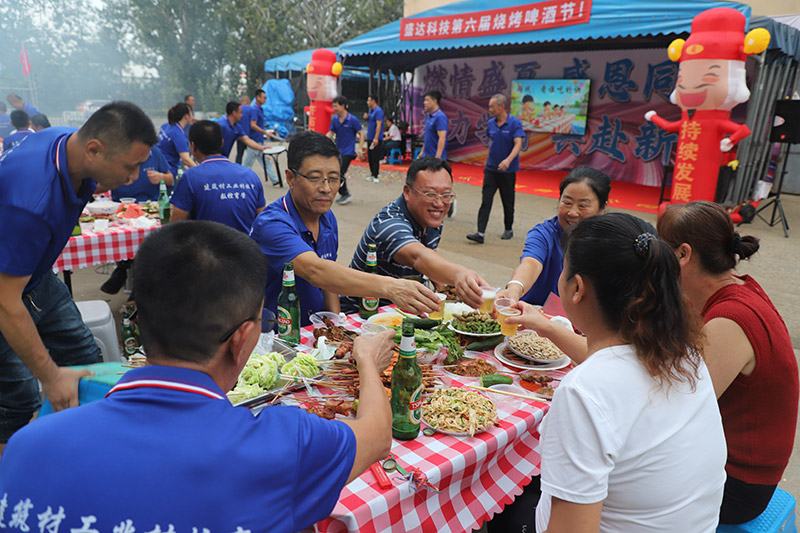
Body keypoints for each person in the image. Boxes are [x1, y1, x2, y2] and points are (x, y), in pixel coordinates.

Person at [0, 220, 396, 531]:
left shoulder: (26, 446)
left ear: (137, 317)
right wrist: (365, 358)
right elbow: (377, 436)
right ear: (242, 339)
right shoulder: (285, 443)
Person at [509, 213, 726, 532]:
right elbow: (611, 362)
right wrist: (546, 326)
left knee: (503, 496)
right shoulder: (682, 352)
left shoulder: (582, 391)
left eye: (564, 270)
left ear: (577, 288)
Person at [0, 101, 156, 451]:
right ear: (94, 150)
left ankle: (86, 447)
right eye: (130, 167)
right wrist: (51, 377)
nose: (134, 178)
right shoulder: (31, 201)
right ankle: (12, 484)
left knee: (86, 357)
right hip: (7, 287)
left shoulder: (67, 146)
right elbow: (6, 303)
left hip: (36, 276)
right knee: (18, 396)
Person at [657, 201, 799, 525]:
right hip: (732, 467)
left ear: (682, 255)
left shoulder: (729, 321)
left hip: (738, 486)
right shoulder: (738, 288)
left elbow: (675, 407)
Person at [250, 131, 439, 327]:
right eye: (315, 178)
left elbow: (329, 278)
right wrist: (390, 287)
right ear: (290, 178)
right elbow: (316, 271)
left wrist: (337, 325)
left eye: (333, 179)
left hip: (314, 330)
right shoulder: (271, 224)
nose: (326, 188)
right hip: (275, 337)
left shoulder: (327, 219)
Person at [341, 157, 486, 313]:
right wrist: (460, 274)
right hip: (363, 315)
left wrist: (444, 284)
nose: (439, 203)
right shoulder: (389, 224)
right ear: (407, 192)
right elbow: (418, 256)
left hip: (405, 310)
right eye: (430, 194)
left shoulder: (431, 217)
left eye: (446, 195)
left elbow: (429, 257)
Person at [496, 167, 611, 305]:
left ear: (602, 209)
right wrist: (514, 289)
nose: (573, 212)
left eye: (583, 206)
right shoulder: (543, 234)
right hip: (533, 314)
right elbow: (531, 263)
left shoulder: (609, 242)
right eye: (567, 203)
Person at [101, 144, 174, 295]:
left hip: (150, 208)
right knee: (123, 237)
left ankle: (125, 274)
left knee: (151, 241)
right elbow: (101, 184)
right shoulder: (116, 152)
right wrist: (116, 180)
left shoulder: (155, 152)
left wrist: (161, 177)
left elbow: (170, 178)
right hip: (122, 208)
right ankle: (124, 269)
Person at [171, 120, 266, 234]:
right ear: (222, 142)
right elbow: (263, 221)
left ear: (193, 146)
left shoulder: (191, 177)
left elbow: (175, 226)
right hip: (246, 249)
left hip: (206, 250)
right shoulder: (250, 175)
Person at [467, 94, 524, 243]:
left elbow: (518, 144)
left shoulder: (515, 123)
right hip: (491, 168)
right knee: (486, 200)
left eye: (492, 106)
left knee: (508, 201)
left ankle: (508, 229)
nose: (490, 109)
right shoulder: (491, 123)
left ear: (502, 107)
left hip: (508, 170)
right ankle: (480, 233)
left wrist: (508, 160)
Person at [326, 95, 362, 205]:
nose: (334, 108)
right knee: (337, 173)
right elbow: (330, 132)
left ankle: (345, 194)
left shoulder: (352, 119)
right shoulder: (335, 119)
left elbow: (361, 133)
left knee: (339, 173)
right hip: (338, 150)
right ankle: (344, 193)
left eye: (336, 106)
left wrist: (360, 148)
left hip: (349, 151)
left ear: (342, 106)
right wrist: (323, 141)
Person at [241, 89, 279, 186]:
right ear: (258, 98)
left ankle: (275, 180)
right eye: (264, 97)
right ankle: (239, 180)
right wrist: (265, 132)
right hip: (254, 142)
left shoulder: (260, 109)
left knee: (266, 161)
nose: (265, 99)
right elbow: (253, 125)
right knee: (247, 164)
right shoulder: (254, 110)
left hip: (260, 141)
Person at [156, 102, 196, 177]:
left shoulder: (166, 125)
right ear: (186, 116)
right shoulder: (178, 134)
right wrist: (201, 170)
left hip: (158, 166)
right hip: (168, 172)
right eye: (191, 113)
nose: (192, 116)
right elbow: (186, 160)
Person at [361, 94, 384, 183]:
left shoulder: (378, 111)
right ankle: (372, 173)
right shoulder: (371, 111)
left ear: (373, 101)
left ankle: (375, 175)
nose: (367, 102)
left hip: (376, 138)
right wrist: (366, 118)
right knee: (370, 156)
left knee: (375, 156)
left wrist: (376, 138)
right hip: (370, 136)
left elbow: (379, 125)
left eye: (369, 100)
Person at [419, 90, 448, 160]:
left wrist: (438, 157)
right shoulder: (429, 115)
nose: (424, 103)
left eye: (427, 100)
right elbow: (427, 135)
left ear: (434, 101)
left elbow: (442, 137)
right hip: (426, 156)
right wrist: (422, 151)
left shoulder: (440, 117)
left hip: (435, 157)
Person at [235, 95, 252, 165]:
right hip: (250, 137)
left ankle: (237, 167)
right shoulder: (251, 109)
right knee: (251, 155)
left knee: (239, 154)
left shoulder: (238, 110)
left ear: (241, 102)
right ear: (248, 102)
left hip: (240, 136)